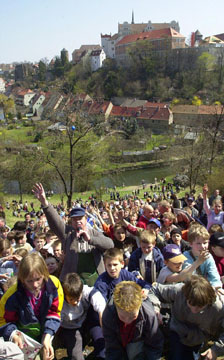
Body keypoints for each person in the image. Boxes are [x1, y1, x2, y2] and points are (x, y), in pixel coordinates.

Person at [32, 183, 114, 283]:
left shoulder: (94, 233)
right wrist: (45, 203)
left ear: (86, 219)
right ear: (71, 221)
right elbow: (55, 222)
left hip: (95, 280)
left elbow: (110, 244)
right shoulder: (67, 233)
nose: (78, 221)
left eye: (80, 218)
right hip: (72, 282)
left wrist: (90, 239)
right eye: (74, 219)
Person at [0, 252, 64, 360]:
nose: (35, 285)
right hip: (23, 338)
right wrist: (13, 334)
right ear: (22, 279)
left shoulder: (54, 285)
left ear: (44, 273)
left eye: (38, 279)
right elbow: (3, 320)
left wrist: (47, 336)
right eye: (29, 281)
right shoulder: (12, 295)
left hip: (46, 330)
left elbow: (54, 312)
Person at [153, 275, 224, 360]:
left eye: (199, 307)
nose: (194, 310)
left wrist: (215, 350)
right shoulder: (179, 291)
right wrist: (155, 308)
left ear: (208, 302)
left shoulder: (219, 307)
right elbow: (155, 289)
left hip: (200, 336)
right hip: (177, 330)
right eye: (190, 304)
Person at [102, 281, 163, 360]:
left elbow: (154, 345)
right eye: (122, 317)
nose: (127, 321)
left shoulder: (149, 316)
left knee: (134, 352)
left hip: (138, 342)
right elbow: (111, 346)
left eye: (133, 316)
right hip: (119, 342)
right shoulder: (108, 314)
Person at [54, 272, 105, 360]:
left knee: (101, 340)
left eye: (78, 298)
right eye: (71, 299)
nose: (75, 302)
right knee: (76, 355)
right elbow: (56, 320)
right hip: (70, 328)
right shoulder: (60, 302)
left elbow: (96, 297)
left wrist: (101, 313)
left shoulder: (83, 290)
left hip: (85, 321)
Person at [182, 224, 222, 288]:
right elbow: (187, 278)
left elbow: (214, 276)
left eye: (205, 243)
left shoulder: (208, 256)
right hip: (192, 289)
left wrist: (217, 287)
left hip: (207, 288)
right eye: (198, 243)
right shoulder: (186, 256)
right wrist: (198, 262)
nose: (203, 246)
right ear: (190, 244)